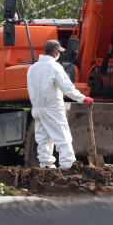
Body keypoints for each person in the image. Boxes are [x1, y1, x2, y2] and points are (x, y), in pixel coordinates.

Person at [27, 39, 93, 169]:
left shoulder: (32, 68)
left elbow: (31, 88)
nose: (60, 54)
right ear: (54, 51)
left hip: (38, 109)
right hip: (52, 108)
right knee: (63, 137)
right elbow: (68, 88)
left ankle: (45, 165)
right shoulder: (55, 67)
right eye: (59, 52)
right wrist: (83, 98)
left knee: (43, 138)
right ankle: (68, 166)